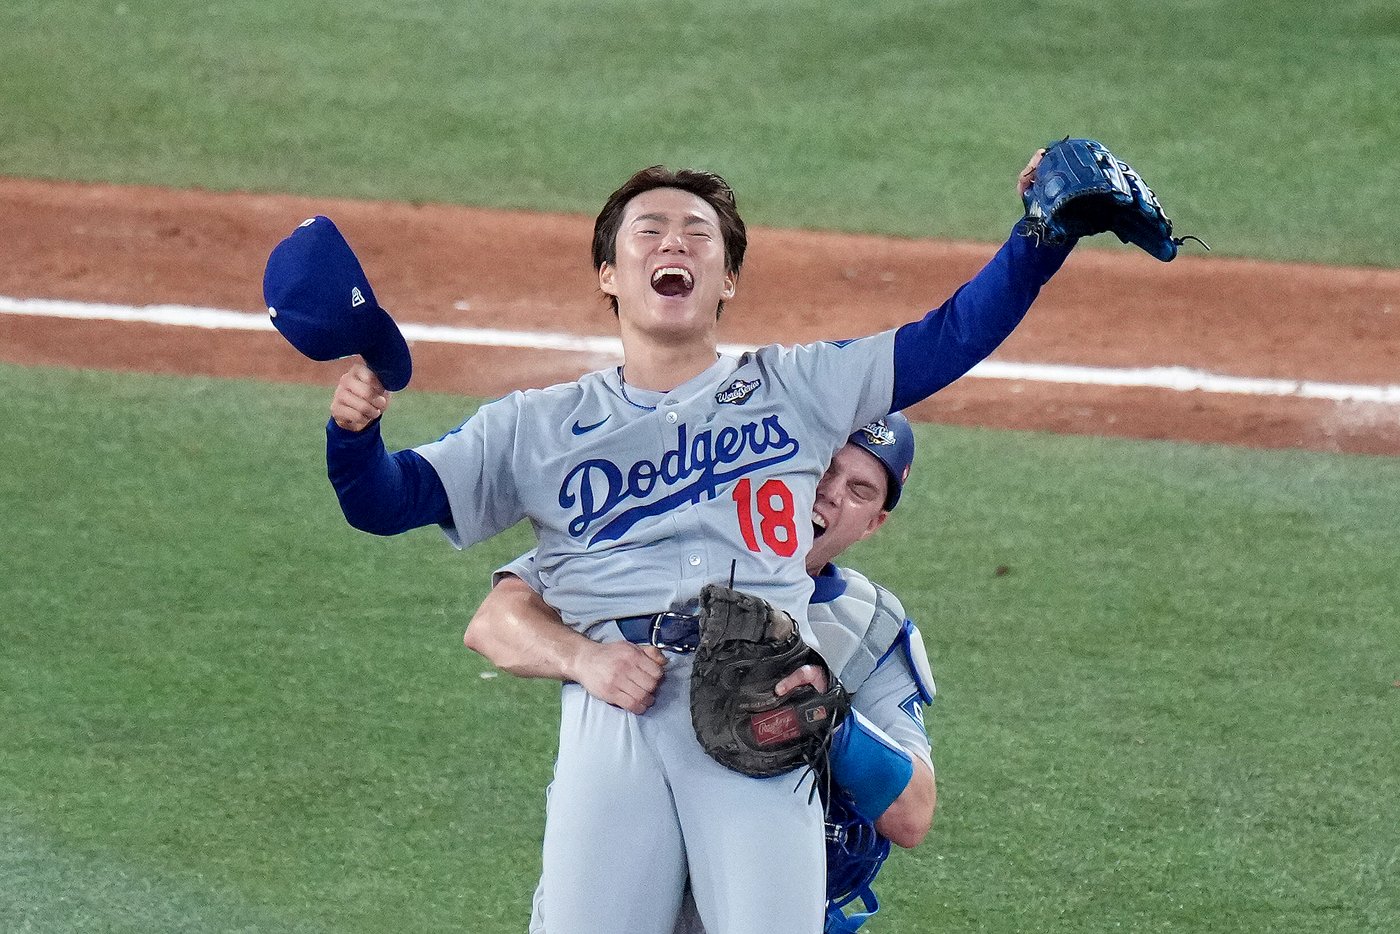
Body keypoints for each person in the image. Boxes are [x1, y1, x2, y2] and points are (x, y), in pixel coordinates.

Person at [324, 153, 1072, 934]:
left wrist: (1040, 238)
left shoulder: (798, 387)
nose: (672, 244)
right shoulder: (532, 427)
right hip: (615, 712)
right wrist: (354, 434)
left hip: (764, 709)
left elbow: (950, 336)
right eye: (648, 231)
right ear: (609, 274)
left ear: (728, 281)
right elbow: (386, 501)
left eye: (698, 234)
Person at [467, 413, 935, 934]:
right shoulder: (661, 537)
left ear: (873, 523)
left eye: (860, 489)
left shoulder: (870, 624)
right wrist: (584, 658)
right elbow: (495, 622)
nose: (829, 493)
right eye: (823, 467)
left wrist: (828, 722)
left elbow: (912, 813)